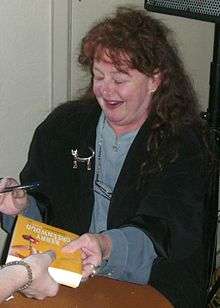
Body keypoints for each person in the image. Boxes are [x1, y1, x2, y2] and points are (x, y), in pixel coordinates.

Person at [1, 6, 213, 307]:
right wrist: (18, 209)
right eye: (99, 76)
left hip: (149, 282)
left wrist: (106, 245)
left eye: (120, 78)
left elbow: (166, 232)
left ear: (155, 80)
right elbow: (43, 214)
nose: (105, 90)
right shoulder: (63, 126)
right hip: (62, 278)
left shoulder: (183, 143)